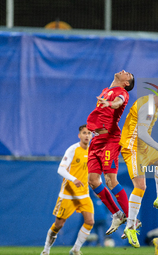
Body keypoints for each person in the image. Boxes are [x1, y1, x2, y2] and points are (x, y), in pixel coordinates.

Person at [119, 87, 158, 248]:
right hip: (133, 147)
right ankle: (130, 226)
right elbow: (142, 133)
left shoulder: (153, 105)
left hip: (143, 147)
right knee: (141, 186)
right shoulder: (149, 106)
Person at [87, 70, 134, 235]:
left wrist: (111, 104)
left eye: (127, 74)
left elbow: (118, 103)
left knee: (110, 179)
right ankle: (117, 214)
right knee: (93, 180)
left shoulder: (122, 93)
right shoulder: (105, 91)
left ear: (126, 83)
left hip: (110, 139)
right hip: (96, 141)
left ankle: (131, 219)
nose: (124, 72)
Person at [41, 125, 93, 255]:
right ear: (79, 135)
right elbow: (61, 169)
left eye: (89, 133)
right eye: (84, 133)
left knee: (90, 221)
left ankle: (76, 249)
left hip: (84, 194)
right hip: (68, 194)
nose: (87, 135)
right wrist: (73, 179)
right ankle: (46, 250)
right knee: (59, 225)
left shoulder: (92, 151)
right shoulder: (72, 149)